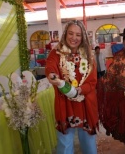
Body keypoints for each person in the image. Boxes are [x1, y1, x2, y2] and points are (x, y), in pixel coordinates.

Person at [45, 20, 98, 154]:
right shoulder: (56, 53)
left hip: (85, 104)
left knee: (89, 143)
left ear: (83, 37)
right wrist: (52, 75)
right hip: (65, 104)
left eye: (78, 35)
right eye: (71, 33)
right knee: (64, 144)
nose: (74, 38)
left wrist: (80, 90)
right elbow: (50, 66)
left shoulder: (89, 55)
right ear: (65, 34)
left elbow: (92, 81)